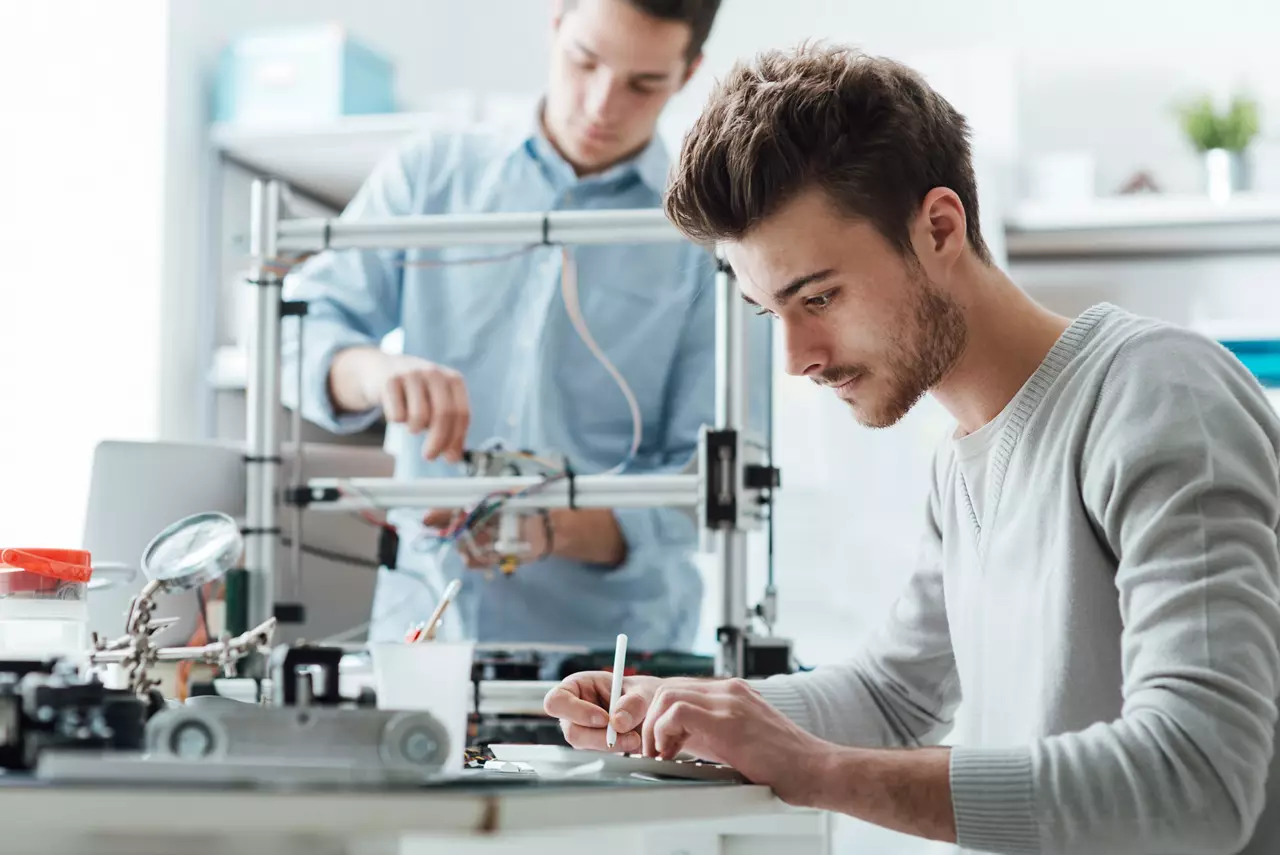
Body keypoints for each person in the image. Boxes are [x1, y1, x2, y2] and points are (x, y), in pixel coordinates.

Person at [546, 43, 1280, 855]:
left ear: (939, 227)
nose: (797, 357)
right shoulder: (964, 456)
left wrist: (816, 769)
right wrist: (688, 706)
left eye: (819, 296)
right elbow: (895, 695)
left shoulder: (1157, 393)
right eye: (770, 313)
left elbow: (1200, 782)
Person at [282, 0, 724, 650]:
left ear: (688, 73)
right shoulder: (430, 175)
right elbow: (296, 332)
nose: (602, 105)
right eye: (585, 61)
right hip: (419, 632)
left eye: (643, 84)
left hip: (616, 659)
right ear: (555, 26)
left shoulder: (707, 238)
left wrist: (554, 527)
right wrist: (377, 373)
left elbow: (714, 480)